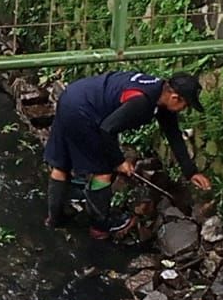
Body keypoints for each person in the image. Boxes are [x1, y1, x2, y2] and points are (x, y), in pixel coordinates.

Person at [42, 71, 211, 238]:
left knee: (62, 164)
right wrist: (119, 161)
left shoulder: (158, 92)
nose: (184, 110)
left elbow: (173, 134)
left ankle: (54, 219)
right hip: (84, 112)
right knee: (103, 172)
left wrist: (191, 172)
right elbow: (107, 130)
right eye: (186, 105)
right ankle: (99, 227)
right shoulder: (142, 103)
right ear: (175, 97)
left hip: (71, 97)